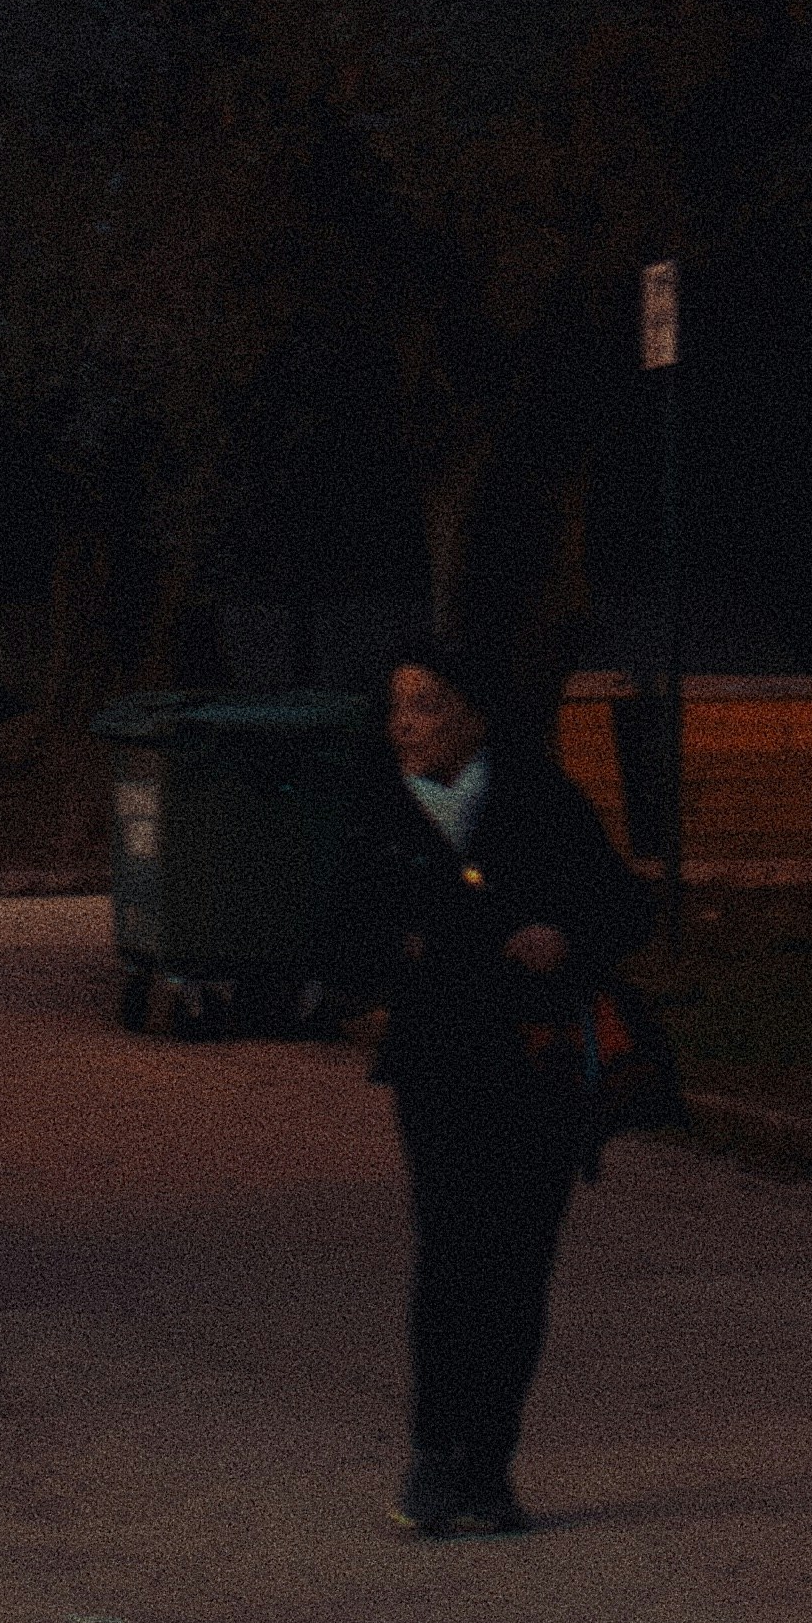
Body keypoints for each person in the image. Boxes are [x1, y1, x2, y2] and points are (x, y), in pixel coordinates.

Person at [337, 644, 653, 1538]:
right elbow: (340, 928)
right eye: (399, 706)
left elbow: (625, 908)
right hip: (439, 1062)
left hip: (534, 1062)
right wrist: (394, 953)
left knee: (519, 1262)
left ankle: (490, 1464)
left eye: (428, 704)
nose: (407, 724)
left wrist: (563, 937)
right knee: (450, 1255)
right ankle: (433, 1455)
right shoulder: (377, 812)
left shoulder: (541, 799)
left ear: (476, 716)